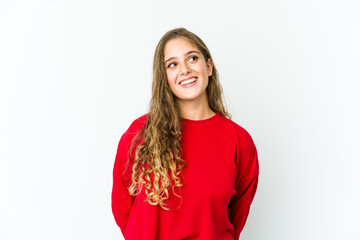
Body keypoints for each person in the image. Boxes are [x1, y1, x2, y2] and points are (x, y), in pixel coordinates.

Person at [111, 27, 259, 240]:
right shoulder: (140, 135)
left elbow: (235, 220)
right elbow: (123, 208)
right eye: (172, 64)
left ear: (208, 66)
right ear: (165, 78)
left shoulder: (239, 141)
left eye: (192, 58)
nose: (185, 70)